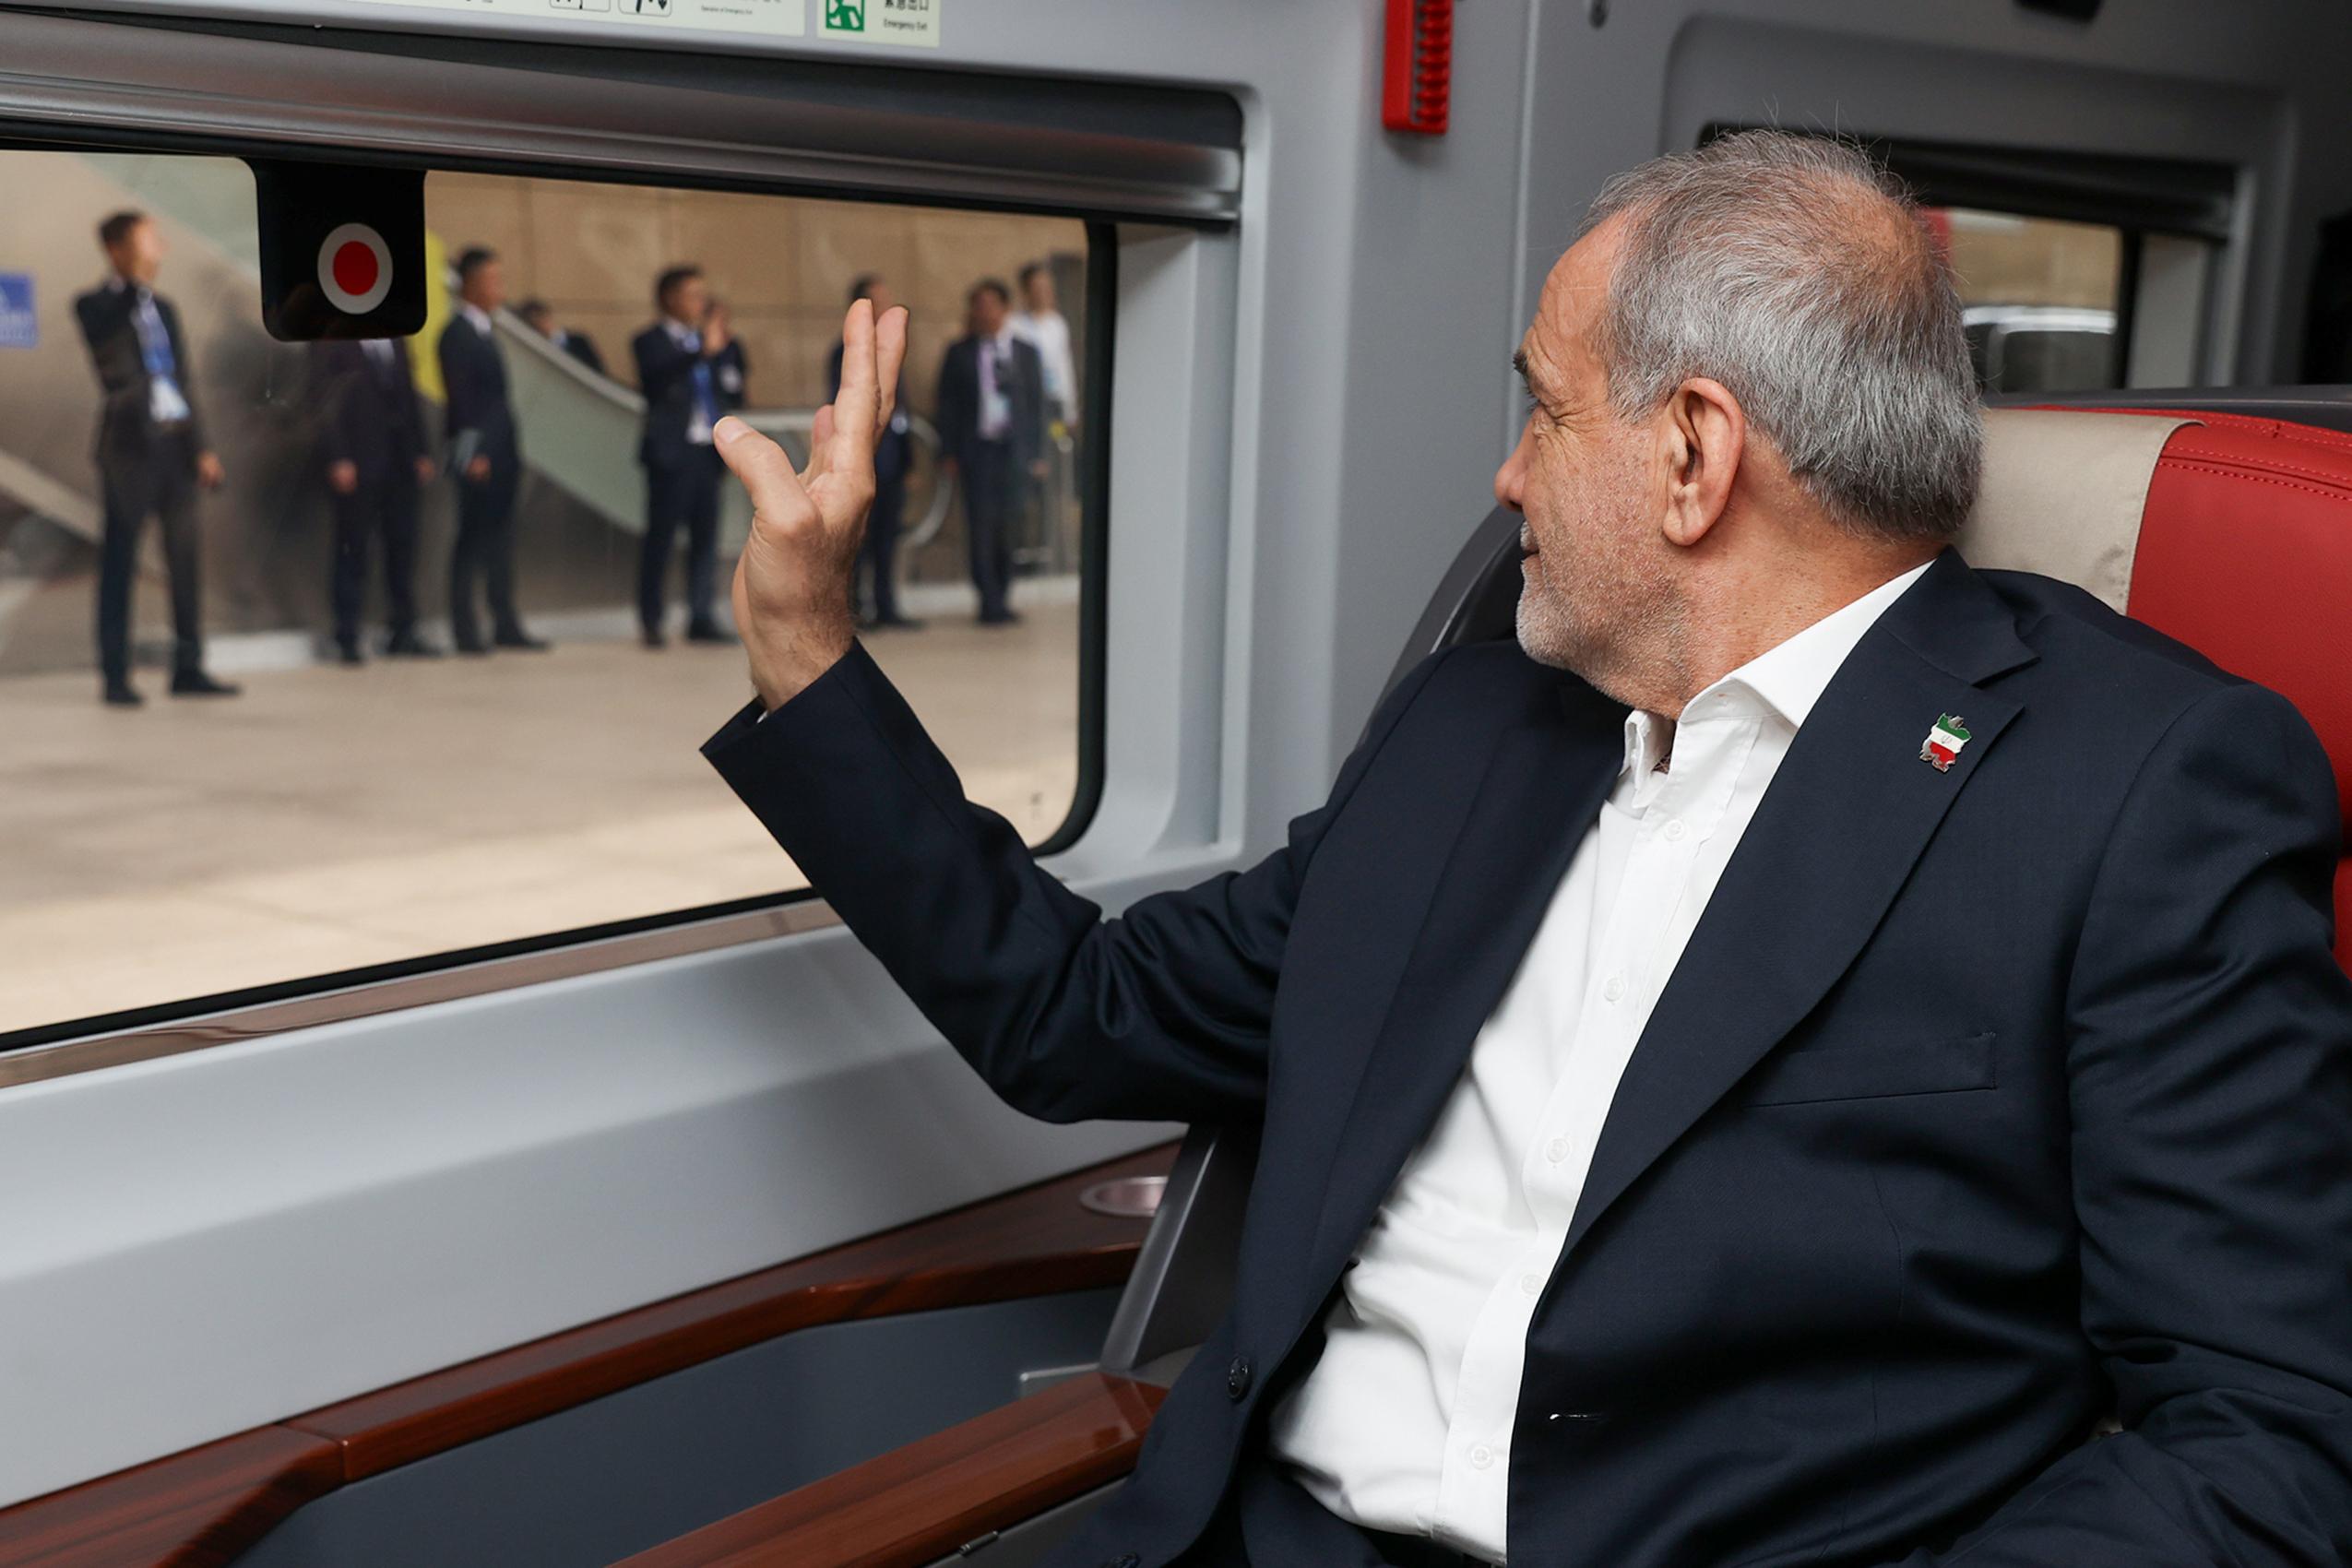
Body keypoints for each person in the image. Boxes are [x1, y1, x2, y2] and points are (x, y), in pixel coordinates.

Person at [700, 131, 2352, 1568]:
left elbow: (2266, 1439)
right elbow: (1079, 1012)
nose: (1504, 481)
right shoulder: (1475, 724)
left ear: (1693, 455)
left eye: (1543, 414)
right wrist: (807, 650)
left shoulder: (2137, 787)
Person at [72, 210, 237, 706]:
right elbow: (111, 361)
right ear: (117, 248)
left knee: (185, 562)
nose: (159, 249)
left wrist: (201, 446)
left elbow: (181, 381)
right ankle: (116, 675)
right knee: (120, 561)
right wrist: (131, 282)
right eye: (148, 240)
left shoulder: (163, 308)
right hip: (128, 450)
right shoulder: (96, 305)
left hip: (174, 447)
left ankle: (189, 667)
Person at [436, 246, 547, 655]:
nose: (500, 288)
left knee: (500, 540)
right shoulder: (457, 334)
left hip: (502, 455)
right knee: (472, 540)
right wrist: (472, 455)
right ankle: (465, 629)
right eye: (492, 280)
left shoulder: (486, 332)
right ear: (470, 284)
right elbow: (461, 401)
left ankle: (505, 622)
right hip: (478, 457)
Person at [631, 265, 746, 647]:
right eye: (693, 295)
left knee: (705, 537)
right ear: (670, 298)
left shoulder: (706, 342)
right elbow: (657, 377)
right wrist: (701, 350)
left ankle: (701, 615)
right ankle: (652, 618)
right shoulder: (651, 340)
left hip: (705, 453)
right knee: (661, 538)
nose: (700, 302)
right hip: (671, 454)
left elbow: (730, 388)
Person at [311, 336, 438, 662]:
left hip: (399, 463)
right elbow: (324, 400)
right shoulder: (331, 339)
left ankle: (403, 629)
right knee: (352, 549)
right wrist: (337, 456)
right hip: (358, 461)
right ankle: (347, 634)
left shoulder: (395, 337)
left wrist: (420, 450)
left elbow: (407, 395)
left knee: (402, 548)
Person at [933, 279, 1044, 625]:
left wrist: (1037, 453)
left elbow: (1036, 406)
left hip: (1013, 450)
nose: (984, 312)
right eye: (978, 306)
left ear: (1005, 308)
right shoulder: (960, 352)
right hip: (978, 450)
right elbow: (947, 405)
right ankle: (988, 599)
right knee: (981, 525)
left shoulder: (1025, 352)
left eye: (990, 305)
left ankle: (1004, 592)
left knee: (1009, 524)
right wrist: (948, 451)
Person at [828, 273, 919, 631]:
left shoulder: (892, 351)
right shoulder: (844, 354)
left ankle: (886, 604)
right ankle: (854, 609)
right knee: (858, 541)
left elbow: (901, 411)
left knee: (887, 538)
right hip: (863, 461)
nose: (885, 306)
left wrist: (909, 460)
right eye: (877, 301)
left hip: (892, 460)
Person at [1012, 260, 1078, 428]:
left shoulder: (1057, 324)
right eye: (1037, 288)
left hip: (1054, 399)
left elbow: (1064, 366)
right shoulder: (1013, 325)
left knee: (1055, 438)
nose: (1043, 293)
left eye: (1047, 287)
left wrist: (1070, 409)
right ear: (1026, 291)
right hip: (1026, 402)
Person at [518, 297, 608, 378]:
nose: (540, 327)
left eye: (540, 319)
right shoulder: (533, 351)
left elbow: (598, 373)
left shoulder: (579, 341)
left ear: (547, 317)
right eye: (534, 326)